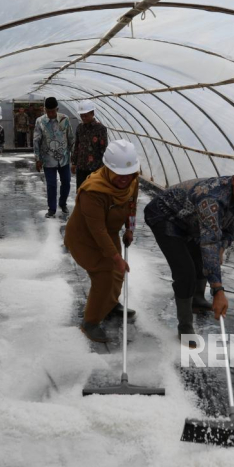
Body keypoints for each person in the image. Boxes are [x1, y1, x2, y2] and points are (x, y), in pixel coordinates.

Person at [144, 153, 234, 346]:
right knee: (185, 272)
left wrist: (222, 247)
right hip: (165, 216)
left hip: (189, 219)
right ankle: (185, 326)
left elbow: (228, 230)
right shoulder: (213, 199)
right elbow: (209, 242)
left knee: (205, 258)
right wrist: (218, 291)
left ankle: (196, 300)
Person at [64, 140, 140, 342]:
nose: (125, 179)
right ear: (107, 168)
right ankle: (90, 322)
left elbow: (132, 205)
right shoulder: (93, 190)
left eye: (129, 174)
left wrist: (130, 229)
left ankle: (111, 304)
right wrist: (116, 258)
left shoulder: (132, 179)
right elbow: (97, 230)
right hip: (84, 238)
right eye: (119, 175)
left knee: (117, 275)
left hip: (110, 231)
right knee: (104, 276)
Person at [33, 97, 74, 218]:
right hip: (48, 159)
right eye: (48, 111)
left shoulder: (64, 119)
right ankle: (52, 208)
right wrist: (37, 159)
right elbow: (36, 140)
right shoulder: (40, 121)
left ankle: (63, 203)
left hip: (64, 158)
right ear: (44, 109)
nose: (50, 114)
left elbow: (71, 138)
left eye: (53, 111)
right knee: (51, 185)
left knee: (66, 182)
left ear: (57, 109)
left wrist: (74, 157)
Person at [71, 100, 108, 189]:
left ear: (92, 113)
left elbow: (103, 149)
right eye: (81, 115)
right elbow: (77, 146)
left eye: (86, 115)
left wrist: (102, 169)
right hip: (81, 167)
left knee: (94, 193)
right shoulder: (80, 128)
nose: (83, 118)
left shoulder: (100, 129)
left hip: (95, 169)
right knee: (81, 192)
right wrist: (74, 163)